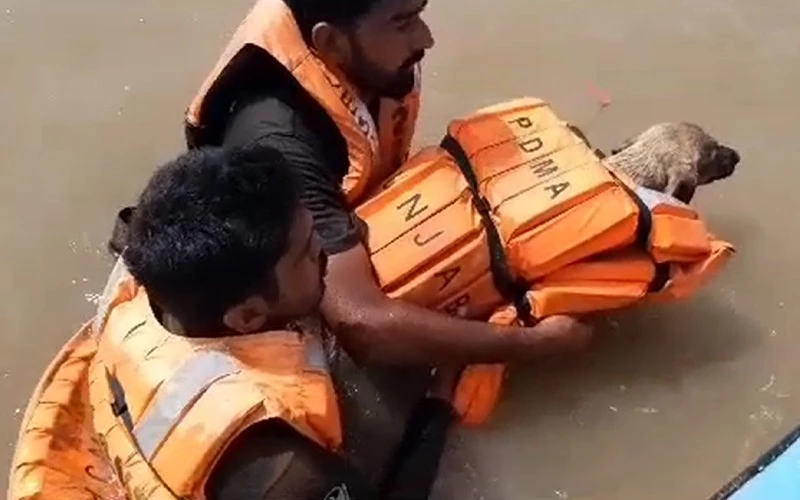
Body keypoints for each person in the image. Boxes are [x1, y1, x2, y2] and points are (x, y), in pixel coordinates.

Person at [181, 0, 592, 369]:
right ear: (331, 43)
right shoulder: (282, 145)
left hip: (337, 232)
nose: (425, 38)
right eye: (402, 22)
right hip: (276, 297)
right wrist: (536, 343)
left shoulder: (362, 65)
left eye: (420, 14)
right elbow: (362, 325)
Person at [96, 144, 456, 499]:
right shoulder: (285, 473)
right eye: (304, 254)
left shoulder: (145, 270)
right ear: (249, 316)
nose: (323, 248)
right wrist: (439, 401)